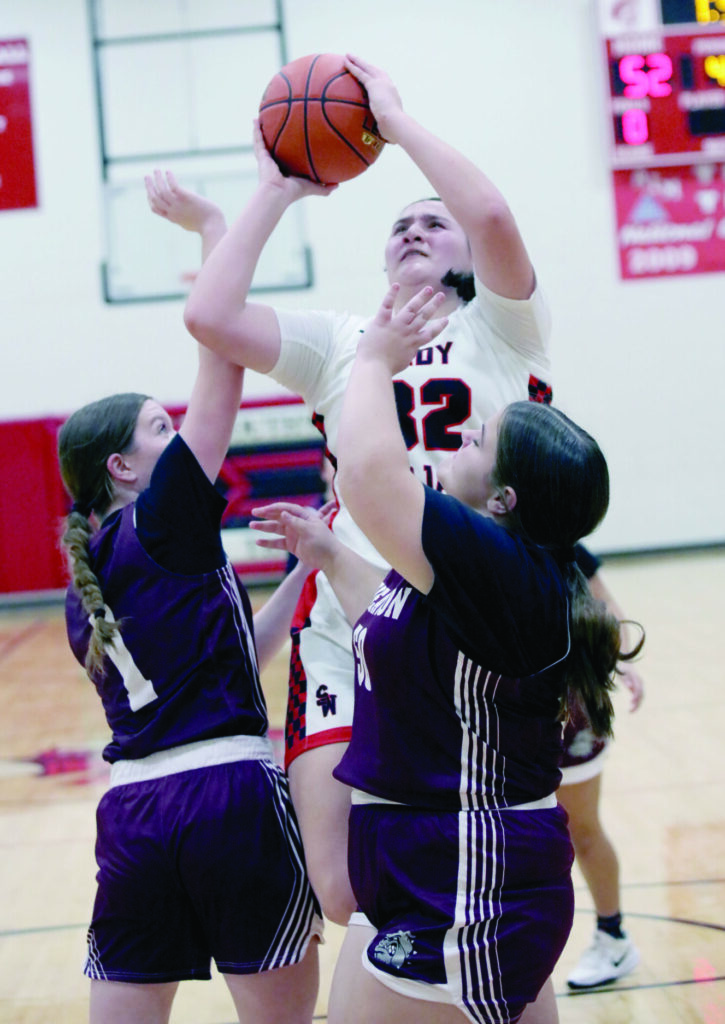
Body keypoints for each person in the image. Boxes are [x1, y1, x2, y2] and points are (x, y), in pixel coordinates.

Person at [159, 53, 553, 930]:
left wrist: (395, 121)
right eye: (399, 224)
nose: (413, 229)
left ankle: (462, 974)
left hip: (462, 610)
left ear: (467, 255)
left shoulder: (502, 328)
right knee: (338, 889)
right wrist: (277, 190)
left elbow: (489, 213)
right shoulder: (340, 341)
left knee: (469, 852)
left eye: (433, 223)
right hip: (346, 617)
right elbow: (210, 317)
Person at [250, 283, 643, 1023]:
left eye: (477, 441)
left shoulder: (497, 565)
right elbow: (394, 619)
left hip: (467, 866)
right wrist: (330, 555)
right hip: (441, 856)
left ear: (503, 500)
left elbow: (368, 476)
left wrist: (372, 359)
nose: (460, 441)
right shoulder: (482, 572)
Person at [57, 191, 321, 1024]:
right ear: (123, 469)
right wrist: (215, 232)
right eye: (158, 430)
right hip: (229, 801)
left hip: (133, 814)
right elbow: (222, 366)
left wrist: (306, 571)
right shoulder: (162, 517)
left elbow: (233, 658)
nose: (176, 439)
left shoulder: (83, 583)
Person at [558, 559, 645, 989]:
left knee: (582, 829)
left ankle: (613, 938)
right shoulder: (470, 532)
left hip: (569, 703)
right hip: (502, 702)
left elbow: (607, 607)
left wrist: (618, 661)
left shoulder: (561, 540)